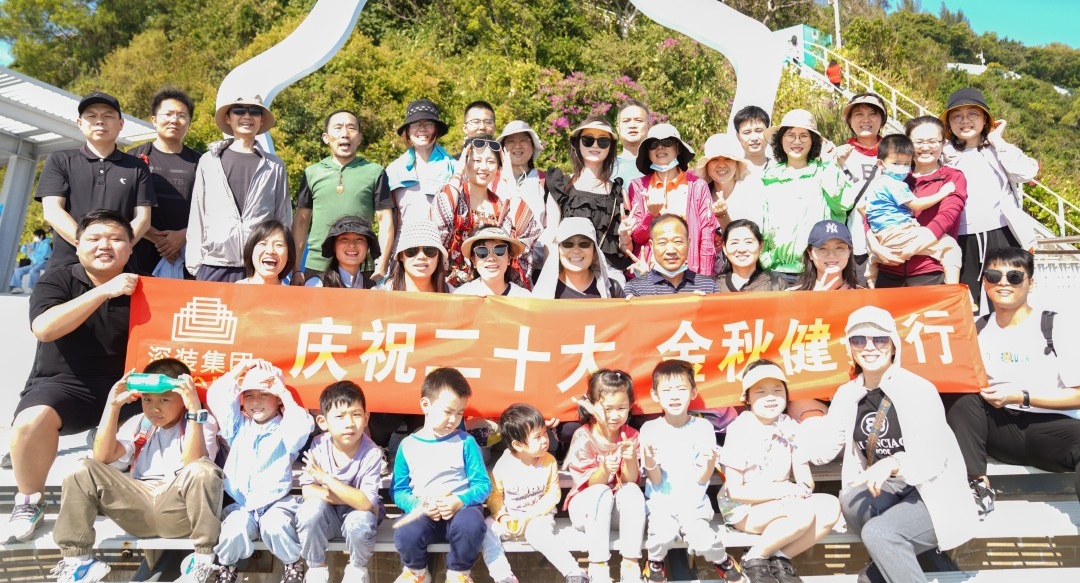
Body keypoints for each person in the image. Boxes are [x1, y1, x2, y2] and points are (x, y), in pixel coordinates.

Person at [801, 306, 978, 583]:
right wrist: (795, 440)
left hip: (932, 490)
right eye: (859, 339)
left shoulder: (919, 389)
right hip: (890, 489)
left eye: (880, 339)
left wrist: (893, 463)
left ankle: (888, 555)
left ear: (894, 345)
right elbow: (824, 451)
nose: (869, 347)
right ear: (850, 347)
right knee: (850, 499)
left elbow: (932, 460)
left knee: (879, 534)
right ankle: (891, 559)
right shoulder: (847, 393)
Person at [5, 210, 140, 543]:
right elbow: (44, 328)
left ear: (131, 246)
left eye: (116, 238)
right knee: (30, 422)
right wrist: (104, 291)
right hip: (65, 385)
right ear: (77, 245)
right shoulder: (57, 280)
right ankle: (29, 500)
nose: (105, 245)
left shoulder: (145, 285)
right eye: (95, 239)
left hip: (128, 388)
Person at [49, 358, 223, 583]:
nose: (154, 408)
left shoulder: (201, 420)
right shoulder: (140, 423)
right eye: (147, 399)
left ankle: (202, 561)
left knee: (203, 470)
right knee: (82, 469)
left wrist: (193, 409)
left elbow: (194, 462)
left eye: (164, 399)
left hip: (180, 511)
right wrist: (112, 406)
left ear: (184, 396)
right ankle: (79, 563)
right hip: (138, 508)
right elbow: (102, 457)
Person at [946, 248, 1080, 512]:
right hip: (998, 427)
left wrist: (1021, 396)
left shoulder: (1055, 325)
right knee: (958, 392)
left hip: (1051, 427)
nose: (1003, 283)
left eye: (1014, 277)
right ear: (985, 283)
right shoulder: (973, 328)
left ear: (1031, 282)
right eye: (994, 276)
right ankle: (977, 485)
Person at [719, 359, 840, 583]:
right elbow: (735, 491)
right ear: (747, 398)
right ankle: (753, 559)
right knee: (802, 513)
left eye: (777, 390)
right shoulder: (740, 430)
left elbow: (805, 480)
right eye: (760, 392)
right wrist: (782, 492)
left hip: (784, 503)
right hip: (745, 510)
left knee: (830, 506)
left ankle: (780, 559)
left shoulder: (790, 427)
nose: (771, 397)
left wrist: (800, 491)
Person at [206, 360, 314, 583]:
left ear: (277, 398)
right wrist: (239, 369)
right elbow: (216, 397)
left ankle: (292, 565)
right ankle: (226, 568)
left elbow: (302, 429)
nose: (255, 402)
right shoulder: (237, 426)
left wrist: (284, 393)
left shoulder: (286, 427)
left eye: (264, 394)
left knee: (277, 526)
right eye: (248, 395)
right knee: (234, 529)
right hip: (241, 504)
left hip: (275, 503)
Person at [640, 360, 744, 583]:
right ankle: (654, 563)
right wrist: (649, 462)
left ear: (693, 392)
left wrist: (710, 463)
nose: (674, 396)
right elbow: (655, 480)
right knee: (662, 535)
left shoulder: (703, 427)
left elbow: (702, 478)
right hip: (661, 505)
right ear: (655, 395)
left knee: (703, 539)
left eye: (681, 389)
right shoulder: (650, 429)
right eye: (667, 390)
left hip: (694, 506)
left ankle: (723, 561)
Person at [940, 88, 1039, 313]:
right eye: (957, 116)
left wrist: (997, 140)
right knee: (966, 305)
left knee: (1007, 300)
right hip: (960, 237)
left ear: (985, 119)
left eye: (972, 114)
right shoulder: (943, 154)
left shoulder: (997, 149)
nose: (964, 120)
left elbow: (1027, 172)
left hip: (1002, 233)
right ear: (949, 124)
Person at [391, 368, 491, 583]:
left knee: (472, 524)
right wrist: (417, 505)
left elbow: (483, 485)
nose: (453, 420)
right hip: (425, 513)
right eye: (447, 411)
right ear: (425, 405)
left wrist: (460, 500)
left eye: (460, 413)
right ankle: (417, 571)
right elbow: (399, 491)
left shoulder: (466, 442)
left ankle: (459, 573)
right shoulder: (407, 445)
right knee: (405, 530)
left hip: (461, 511)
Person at [36, 92, 154, 269]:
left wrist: (117, 249)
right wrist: (87, 247)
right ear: (80, 123)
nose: (100, 121)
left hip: (120, 269)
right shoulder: (59, 160)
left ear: (121, 124)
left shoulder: (138, 167)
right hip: (66, 267)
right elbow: (53, 211)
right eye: (91, 116)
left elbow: (143, 219)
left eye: (108, 116)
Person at [186, 95, 291, 282]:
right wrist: (195, 265)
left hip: (259, 266)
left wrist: (283, 263)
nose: (247, 116)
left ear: (261, 119)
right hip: (214, 263)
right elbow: (198, 213)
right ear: (228, 117)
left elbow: (283, 217)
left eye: (255, 112)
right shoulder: (209, 161)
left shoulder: (274, 165)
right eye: (239, 110)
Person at [481, 403, 589, 583]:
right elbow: (495, 495)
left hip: (539, 516)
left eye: (545, 433)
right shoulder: (504, 465)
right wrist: (502, 516)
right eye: (537, 437)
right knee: (486, 528)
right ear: (518, 445)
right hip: (512, 516)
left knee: (538, 534)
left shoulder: (549, 461)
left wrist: (529, 516)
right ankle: (503, 576)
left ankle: (573, 571)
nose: (545, 440)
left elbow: (553, 495)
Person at [296, 380, 386, 583]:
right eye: (340, 416)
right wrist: (354, 498)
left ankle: (357, 568)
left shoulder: (372, 453)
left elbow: (365, 505)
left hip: (356, 518)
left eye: (356, 414)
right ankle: (316, 568)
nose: (349, 423)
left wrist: (326, 479)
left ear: (366, 417)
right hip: (328, 517)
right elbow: (308, 491)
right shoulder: (319, 444)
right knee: (310, 510)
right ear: (323, 422)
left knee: (360, 520)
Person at [562, 369, 646, 583]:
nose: (614, 415)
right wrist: (604, 470)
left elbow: (630, 480)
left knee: (632, 491)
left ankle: (631, 565)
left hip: (616, 513)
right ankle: (598, 567)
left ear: (630, 406)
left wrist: (630, 458)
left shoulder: (631, 436)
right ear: (591, 406)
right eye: (607, 409)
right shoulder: (583, 436)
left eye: (621, 408)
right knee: (601, 491)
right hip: (585, 511)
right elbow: (590, 483)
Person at [292, 109, 394, 284]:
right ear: (326, 137)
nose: (345, 133)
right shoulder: (312, 173)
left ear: (359, 138)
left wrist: (382, 264)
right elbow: (301, 222)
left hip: (362, 265)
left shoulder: (375, 172)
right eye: (338, 127)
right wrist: (295, 269)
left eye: (351, 128)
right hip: (318, 266)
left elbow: (385, 220)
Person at [868, 116, 967, 288]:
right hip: (888, 267)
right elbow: (871, 209)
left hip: (928, 271)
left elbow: (948, 215)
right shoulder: (896, 176)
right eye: (918, 142)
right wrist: (874, 244)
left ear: (943, 143)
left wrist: (909, 249)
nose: (926, 147)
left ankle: (953, 292)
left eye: (933, 141)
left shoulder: (952, 177)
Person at [432, 135, 539, 288]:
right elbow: (440, 223)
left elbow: (525, 235)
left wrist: (510, 180)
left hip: (495, 289)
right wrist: (458, 173)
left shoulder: (502, 206)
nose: (483, 167)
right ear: (465, 162)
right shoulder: (454, 199)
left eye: (490, 162)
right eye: (476, 160)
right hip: (453, 289)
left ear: (499, 166)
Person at [759, 109, 854, 281]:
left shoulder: (824, 169)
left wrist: (828, 162)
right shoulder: (770, 176)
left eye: (804, 136)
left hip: (817, 269)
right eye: (790, 135)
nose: (797, 141)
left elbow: (842, 203)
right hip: (776, 270)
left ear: (813, 141)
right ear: (781, 139)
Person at [545, 117, 631, 279]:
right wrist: (549, 278)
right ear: (578, 143)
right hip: (569, 276)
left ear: (610, 147)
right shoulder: (560, 186)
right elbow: (551, 238)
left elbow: (624, 249)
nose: (595, 145)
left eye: (603, 141)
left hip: (608, 277)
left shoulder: (620, 193)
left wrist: (624, 238)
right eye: (588, 140)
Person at [627, 124, 717, 276]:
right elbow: (637, 236)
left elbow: (707, 235)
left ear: (678, 148)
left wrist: (704, 279)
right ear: (648, 152)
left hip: (689, 274)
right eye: (653, 144)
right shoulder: (638, 186)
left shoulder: (697, 185)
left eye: (667, 142)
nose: (660, 147)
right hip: (649, 273)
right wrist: (651, 215)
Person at [129, 88, 201, 277]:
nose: (174, 120)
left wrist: (184, 235)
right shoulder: (134, 158)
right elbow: (123, 204)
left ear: (189, 123)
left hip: (187, 254)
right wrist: (157, 238)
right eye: (168, 114)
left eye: (182, 116)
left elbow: (210, 210)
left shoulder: (202, 162)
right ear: (154, 120)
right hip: (140, 252)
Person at [385, 99, 457, 258]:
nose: (422, 129)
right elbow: (387, 222)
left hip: (444, 252)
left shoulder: (455, 168)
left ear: (436, 130)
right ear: (407, 130)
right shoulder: (393, 170)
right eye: (415, 123)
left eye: (429, 124)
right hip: (405, 253)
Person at [832, 93, 888, 285]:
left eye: (873, 114)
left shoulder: (894, 153)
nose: (866, 119)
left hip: (890, 242)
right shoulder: (839, 155)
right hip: (854, 244)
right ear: (849, 121)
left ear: (882, 120)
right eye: (858, 114)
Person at [497, 120, 551, 279]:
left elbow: (550, 227)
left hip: (536, 266)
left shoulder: (546, 181)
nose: (517, 146)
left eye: (523, 140)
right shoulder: (491, 180)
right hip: (496, 261)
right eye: (511, 141)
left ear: (533, 145)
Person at [624, 214, 718, 298]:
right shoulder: (636, 289)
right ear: (652, 246)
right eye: (662, 243)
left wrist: (702, 306)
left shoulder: (707, 287)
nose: (671, 250)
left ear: (688, 243)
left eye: (678, 241)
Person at [532, 217, 624, 299]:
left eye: (584, 244)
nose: (576, 250)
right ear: (558, 251)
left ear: (594, 252)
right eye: (568, 244)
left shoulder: (613, 289)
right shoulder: (542, 289)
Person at [453, 226, 532, 297]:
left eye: (499, 250)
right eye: (482, 251)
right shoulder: (461, 296)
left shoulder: (523, 298)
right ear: (474, 261)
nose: (491, 258)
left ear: (508, 258)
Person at [305, 216, 380, 289]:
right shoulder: (316, 285)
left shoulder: (374, 289)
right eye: (344, 239)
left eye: (359, 239)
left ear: (367, 247)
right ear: (334, 246)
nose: (352, 245)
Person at [714, 220, 785, 293]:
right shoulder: (713, 286)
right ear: (724, 248)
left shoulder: (777, 285)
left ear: (761, 246)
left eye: (748, 242)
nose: (741, 249)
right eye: (734, 243)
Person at [789, 220, 859, 292]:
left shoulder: (862, 294)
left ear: (849, 252)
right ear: (810, 253)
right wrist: (816, 298)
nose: (831, 255)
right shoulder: (792, 295)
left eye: (839, 248)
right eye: (822, 249)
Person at [236, 219, 296, 285]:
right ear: (251, 250)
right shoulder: (234, 289)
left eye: (278, 245)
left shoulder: (289, 292)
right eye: (263, 244)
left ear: (289, 255)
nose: (270, 251)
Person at [614, 100, 651, 185]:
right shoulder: (605, 167)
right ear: (618, 128)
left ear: (648, 126)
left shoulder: (660, 165)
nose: (632, 126)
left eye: (638, 120)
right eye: (626, 121)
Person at [9, 229, 51, 293]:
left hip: (44, 263)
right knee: (18, 271)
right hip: (35, 264)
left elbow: (43, 257)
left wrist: (33, 252)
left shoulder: (46, 245)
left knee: (33, 270)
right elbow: (24, 251)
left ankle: (32, 288)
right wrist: (25, 246)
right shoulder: (35, 244)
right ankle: (18, 287)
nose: (34, 238)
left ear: (41, 236)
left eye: (35, 236)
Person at [732, 106, 770, 175]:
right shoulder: (731, 172)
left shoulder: (781, 169)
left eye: (759, 131)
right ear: (738, 137)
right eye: (747, 132)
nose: (754, 138)